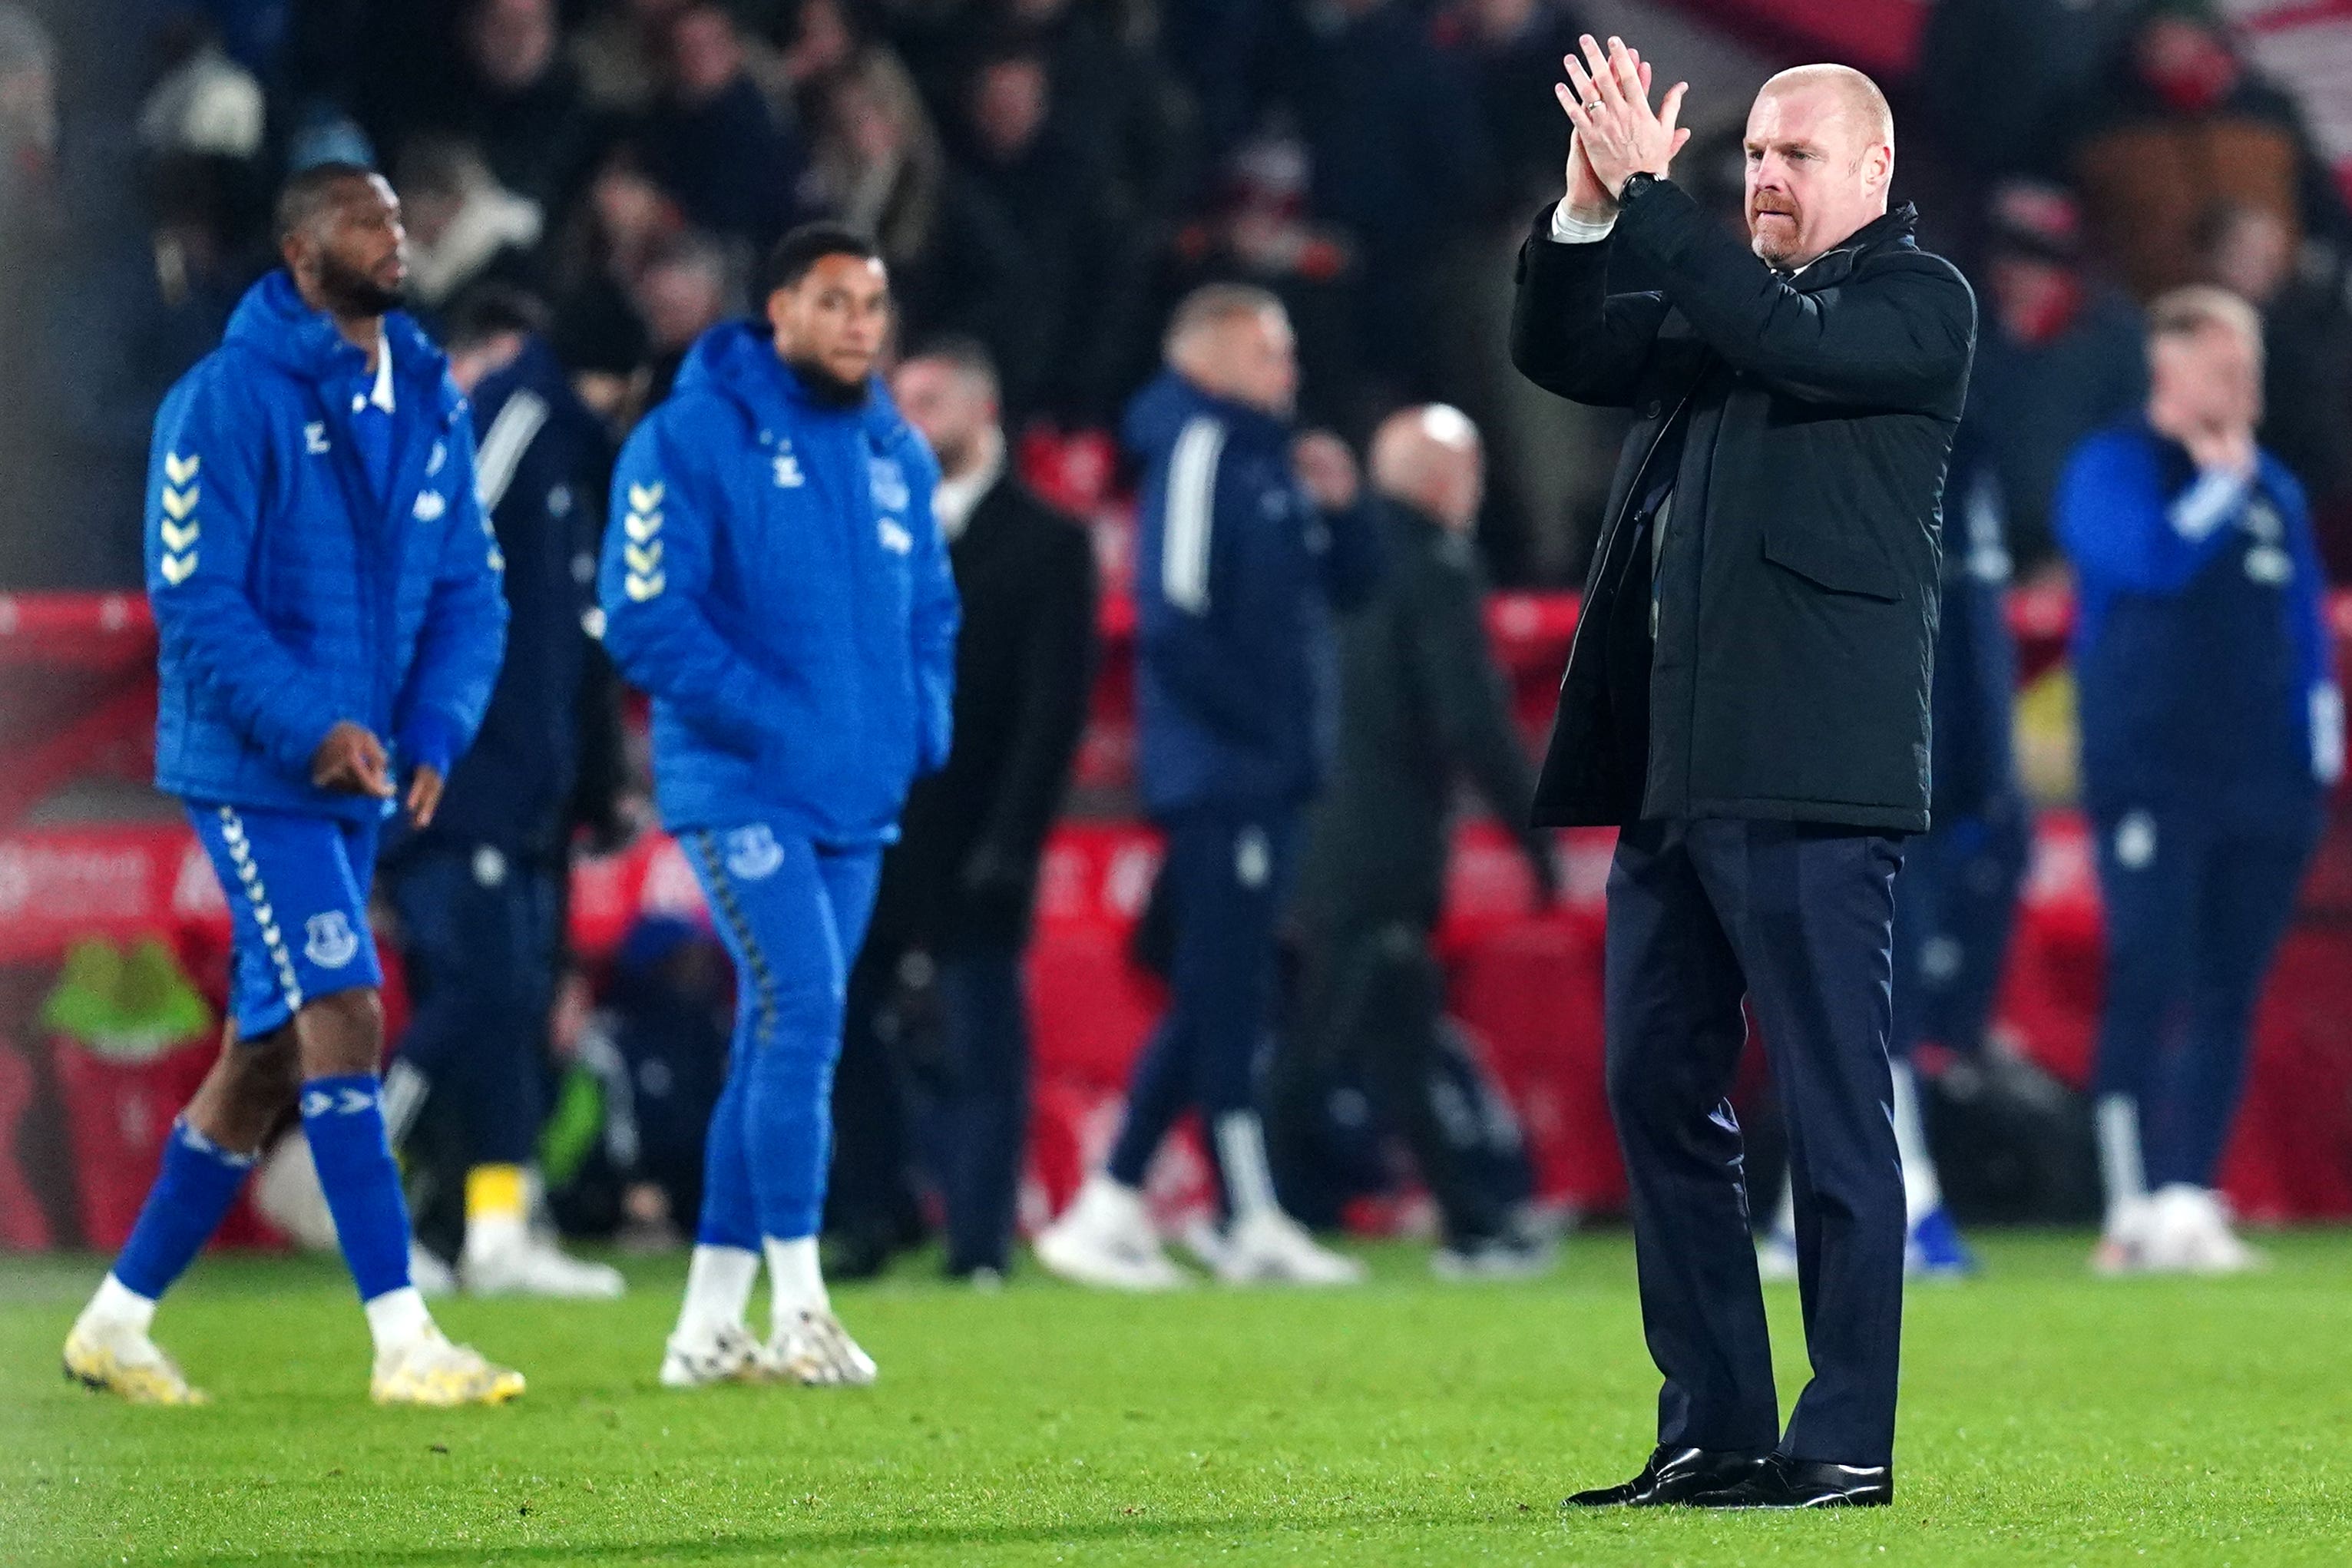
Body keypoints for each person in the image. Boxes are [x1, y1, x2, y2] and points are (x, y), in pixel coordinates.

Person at [1517, 43, 1975, 1508]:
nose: (1762, 178)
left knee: (1831, 1108)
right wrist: (1589, 212)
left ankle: (1841, 1436)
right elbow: (1567, 354)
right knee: (1651, 1086)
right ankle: (1711, 1421)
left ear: (1872, 170)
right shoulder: (1730, 302)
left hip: (1814, 778)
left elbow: (1780, 339)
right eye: (1751, 158)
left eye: (1792, 156)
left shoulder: (1918, 303)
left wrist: (1657, 203)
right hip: (1678, 771)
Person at [62, 164, 519, 1406]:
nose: (395, 233)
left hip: (358, 769)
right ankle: (402, 1337)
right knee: (346, 1009)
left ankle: (115, 1320)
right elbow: (195, 598)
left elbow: (472, 586)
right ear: (299, 247)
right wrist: (313, 723)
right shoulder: (222, 401)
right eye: (364, 217)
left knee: (265, 1055)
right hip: (254, 765)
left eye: (396, 212)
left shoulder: (428, 396)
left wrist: (432, 723)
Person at [599, 223, 958, 1387]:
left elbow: (930, 609)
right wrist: (770, 716)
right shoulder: (689, 437)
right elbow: (645, 614)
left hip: (855, 791)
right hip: (739, 783)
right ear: (777, 308)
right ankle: (802, 1302)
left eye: (873, 302)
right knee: (802, 1011)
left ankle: (705, 1322)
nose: (860, 322)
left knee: (776, 1033)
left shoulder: (894, 450)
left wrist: (918, 719)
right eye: (835, 300)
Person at [1034, 284, 1380, 1290]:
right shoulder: (1194, 450)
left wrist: (1345, 506)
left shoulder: (1265, 459)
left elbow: (1349, 587)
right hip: (1222, 772)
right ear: (1209, 354)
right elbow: (1176, 618)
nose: (1289, 369)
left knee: (1219, 989)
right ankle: (1241, 1214)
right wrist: (1262, 741)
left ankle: (1114, 1201)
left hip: (1258, 771)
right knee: (1224, 991)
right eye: (1270, 350)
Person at [2056, 286, 2340, 1275]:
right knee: (2150, 971)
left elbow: (2304, 629)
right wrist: (2215, 487)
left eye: (2248, 367)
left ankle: (2187, 1191)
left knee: (2229, 987)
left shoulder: (2278, 492)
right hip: (2154, 775)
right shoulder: (2115, 465)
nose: (2242, 387)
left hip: (2264, 784)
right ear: (2169, 371)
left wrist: (2321, 748)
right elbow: (2148, 562)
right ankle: (2130, 1205)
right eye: (2221, 368)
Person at [1267, 403, 1558, 1279]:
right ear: (1440, 480)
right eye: (1467, 472)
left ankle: (1472, 1221)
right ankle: (1253, 1209)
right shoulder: (1435, 564)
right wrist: (1532, 830)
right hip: (1382, 838)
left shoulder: (1325, 550)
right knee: (1323, 1037)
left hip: (1311, 825)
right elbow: (1470, 714)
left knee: (1395, 1029)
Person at [832, 336, 1098, 1283]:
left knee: (985, 1038)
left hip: (979, 823)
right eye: (900, 402)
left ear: (983, 411)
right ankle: (874, 1209)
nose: (909, 421)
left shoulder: (1047, 541)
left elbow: (1051, 707)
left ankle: (978, 1242)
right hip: (870, 823)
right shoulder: (863, 530)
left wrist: (1015, 838)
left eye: (930, 400)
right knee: (843, 1022)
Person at [378, 286, 624, 1300]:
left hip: (523, 781)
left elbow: (578, 648)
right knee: (480, 991)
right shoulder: (516, 421)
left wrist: (590, 776)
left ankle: (495, 1228)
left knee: (513, 1002)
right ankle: (339, 1148)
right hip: (461, 769)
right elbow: (424, 557)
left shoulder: (566, 455)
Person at [1758, 426, 2028, 1283]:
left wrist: (1988, 782)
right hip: (1857, 776)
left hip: (1912, 782)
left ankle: (1831, 1213)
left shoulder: (1949, 470)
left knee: (1873, 1003)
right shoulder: (1849, 467)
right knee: (1865, 1003)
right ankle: (1898, 1207)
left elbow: (1975, 638)